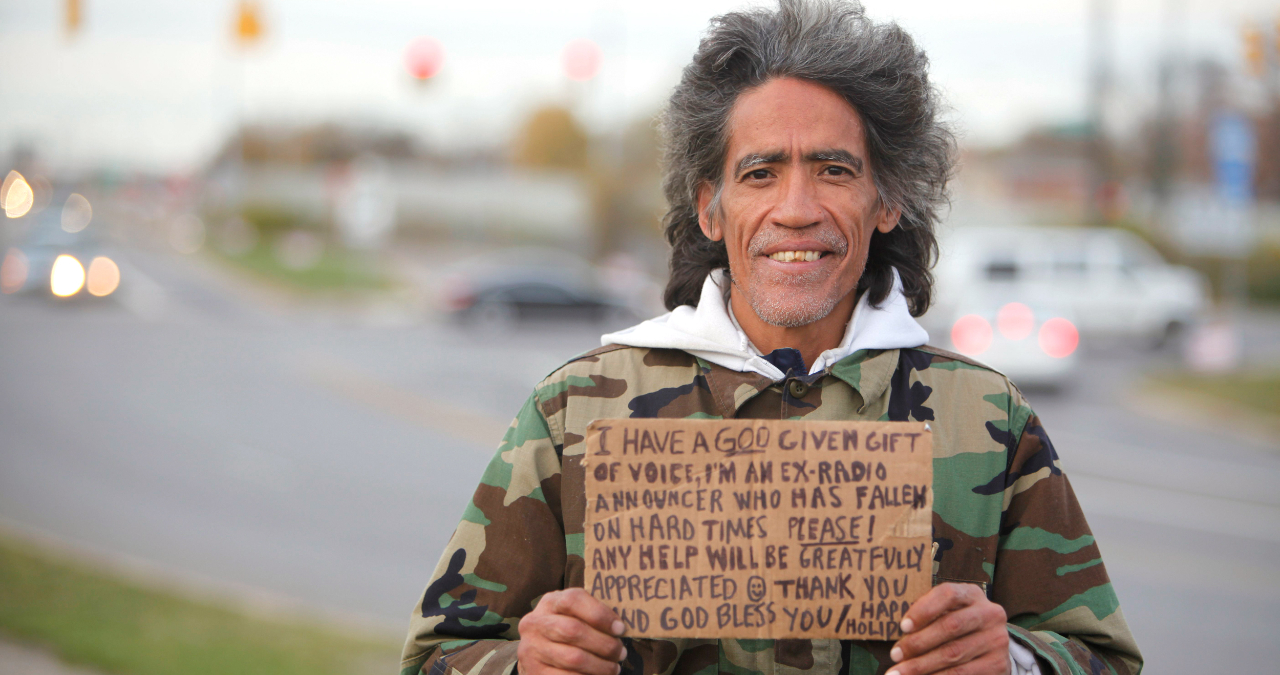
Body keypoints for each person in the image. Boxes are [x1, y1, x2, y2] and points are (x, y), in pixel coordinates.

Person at [400, 1, 1143, 674]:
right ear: (710, 208)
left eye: (833, 169)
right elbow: (437, 654)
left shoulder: (989, 418)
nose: (796, 208)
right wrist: (523, 664)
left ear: (886, 200)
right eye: (759, 172)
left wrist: (1013, 662)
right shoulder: (573, 412)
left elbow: (1104, 655)